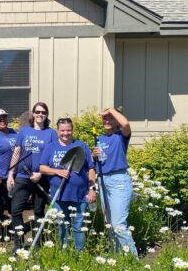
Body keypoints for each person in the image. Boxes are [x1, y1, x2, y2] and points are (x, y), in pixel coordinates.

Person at [39, 118, 96, 251]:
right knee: (62, 226)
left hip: (80, 195)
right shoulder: (50, 146)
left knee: (78, 227)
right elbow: (42, 167)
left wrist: (92, 188)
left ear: (72, 130)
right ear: (58, 131)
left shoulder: (81, 146)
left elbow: (91, 168)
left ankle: (79, 256)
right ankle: (64, 255)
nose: (66, 133)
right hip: (59, 196)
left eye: (68, 130)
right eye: (62, 130)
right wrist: (57, 171)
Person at [7, 102, 57, 251]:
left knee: (38, 211)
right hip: (22, 176)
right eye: (37, 112)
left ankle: (37, 244)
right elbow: (16, 152)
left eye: (43, 112)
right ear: (33, 114)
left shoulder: (51, 133)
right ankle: (18, 245)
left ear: (47, 115)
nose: (40, 114)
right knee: (15, 210)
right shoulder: (24, 131)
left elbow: (54, 157)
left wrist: (41, 173)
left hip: (42, 177)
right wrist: (11, 174)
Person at [93, 108, 138, 257]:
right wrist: (94, 156)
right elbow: (98, 163)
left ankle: (132, 260)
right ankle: (117, 258)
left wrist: (111, 110)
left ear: (116, 121)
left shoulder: (121, 136)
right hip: (103, 181)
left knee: (119, 225)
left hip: (118, 181)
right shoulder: (99, 139)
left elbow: (126, 124)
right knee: (111, 225)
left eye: (110, 118)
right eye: (104, 119)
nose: (106, 121)